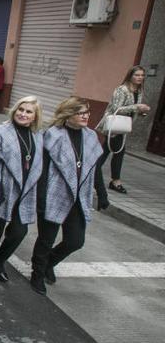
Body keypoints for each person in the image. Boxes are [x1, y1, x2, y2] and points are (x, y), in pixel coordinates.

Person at [31, 97, 108, 295]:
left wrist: (102, 192)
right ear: (68, 114)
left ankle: (49, 262)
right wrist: (40, 198)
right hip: (54, 194)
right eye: (80, 112)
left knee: (75, 241)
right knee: (46, 239)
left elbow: (95, 167)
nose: (86, 116)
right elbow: (42, 170)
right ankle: (37, 274)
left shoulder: (91, 136)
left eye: (87, 112)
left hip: (79, 197)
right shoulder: (52, 135)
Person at [0, 96, 43, 284]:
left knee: (18, 232)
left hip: (25, 191)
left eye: (28, 111)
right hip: (3, 188)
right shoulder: (0, 131)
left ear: (35, 116)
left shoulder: (38, 135)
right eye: (20, 109)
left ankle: (0, 260)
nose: (23, 114)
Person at [95, 65, 151, 194]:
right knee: (116, 152)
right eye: (137, 75)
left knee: (108, 151)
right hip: (115, 125)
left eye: (142, 75)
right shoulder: (122, 89)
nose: (140, 78)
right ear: (130, 76)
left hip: (123, 126)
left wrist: (141, 111)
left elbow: (133, 109)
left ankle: (94, 174)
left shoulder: (139, 91)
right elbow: (116, 108)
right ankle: (114, 181)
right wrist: (137, 107)